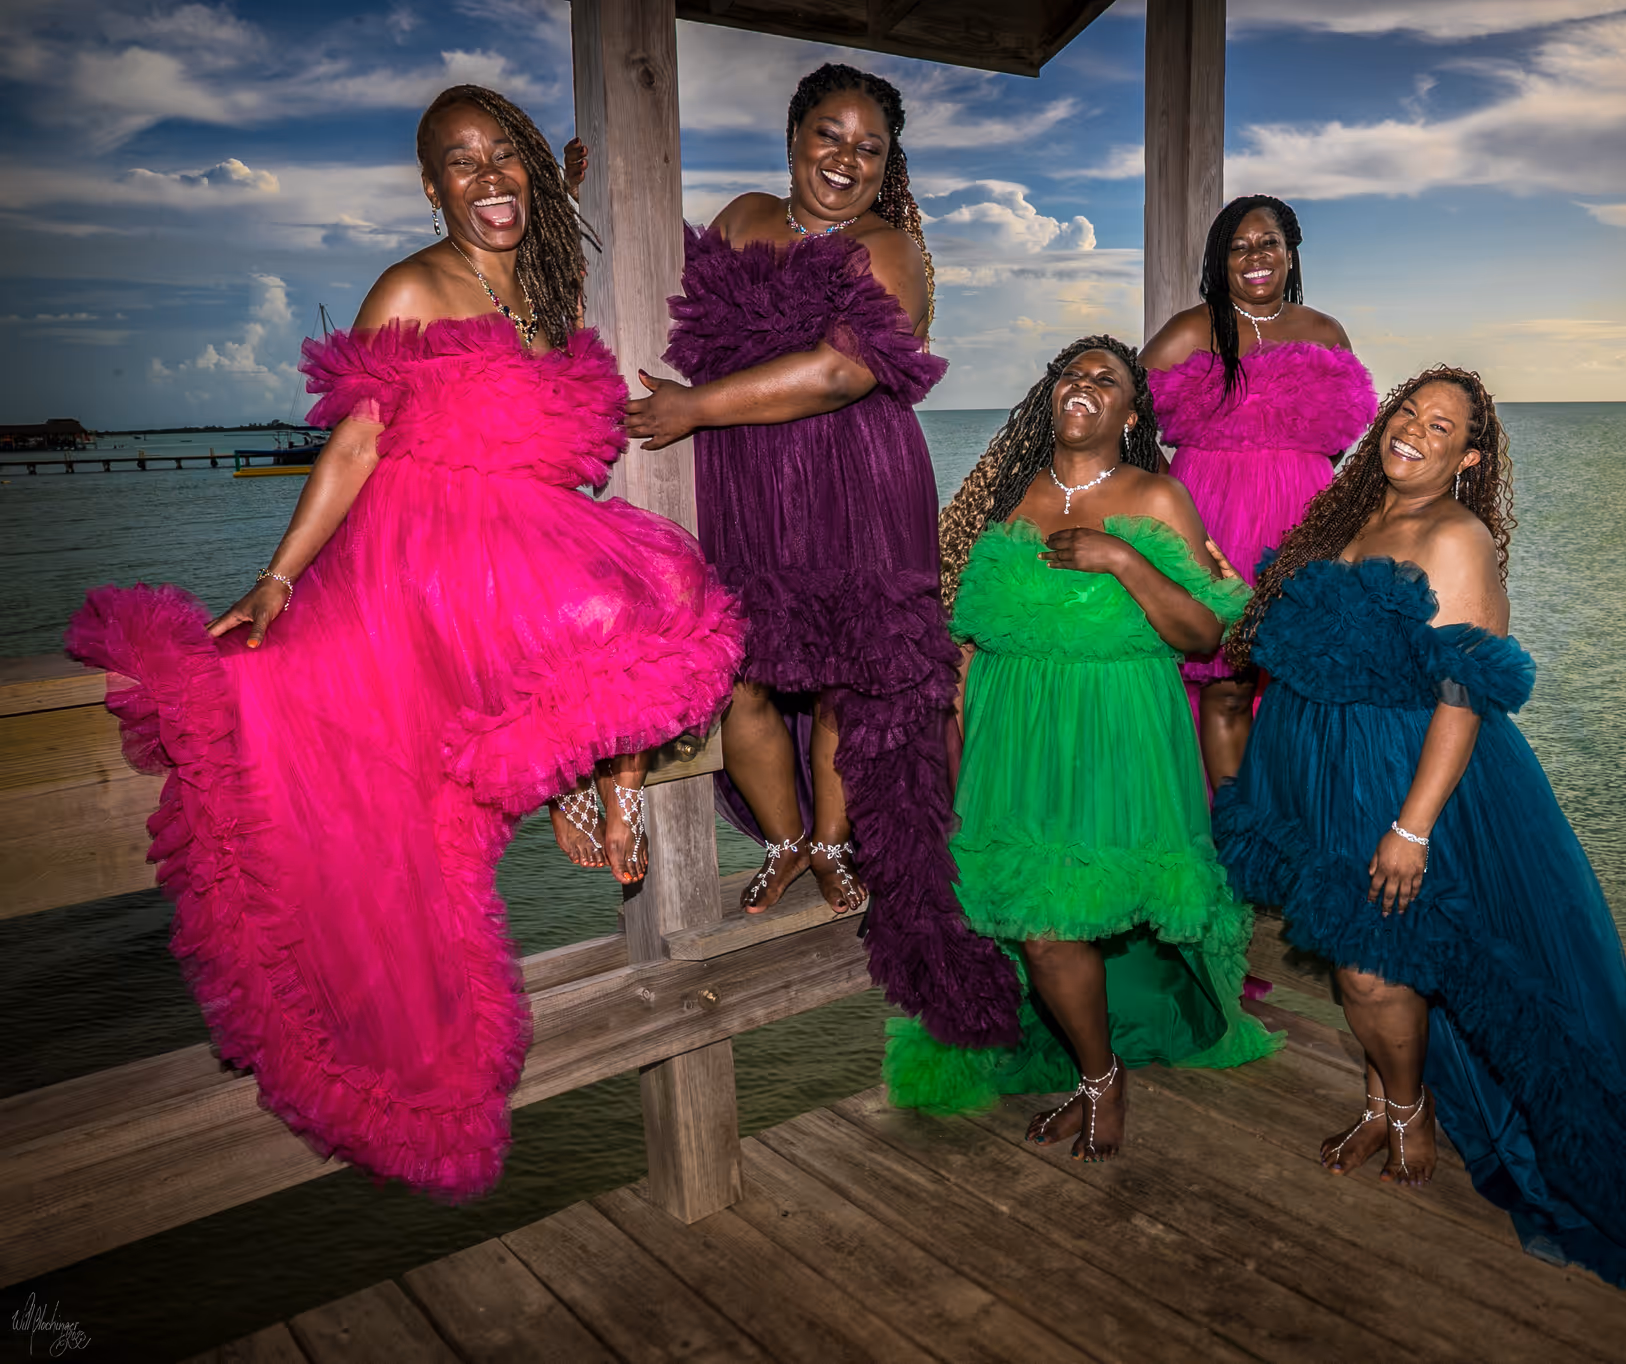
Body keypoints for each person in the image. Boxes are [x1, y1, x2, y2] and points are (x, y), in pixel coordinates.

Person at [65, 86, 744, 1200]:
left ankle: (602, 776)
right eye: (460, 163)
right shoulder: (410, 287)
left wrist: (557, 182)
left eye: (503, 156)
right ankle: (577, 777)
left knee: (667, 582)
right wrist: (278, 578)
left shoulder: (541, 282)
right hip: (419, 548)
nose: (488, 178)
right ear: (431, 187)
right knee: (599, 608)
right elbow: (352, 445)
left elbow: (543, 233)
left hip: (511, 540)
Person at [1211, 366, 1626, 1298]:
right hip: (1321, 779)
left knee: (1375, 968)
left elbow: (1463, 694)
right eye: (1408, 413)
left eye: (1442, 426)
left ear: (1469, 457)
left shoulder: (1456, 537)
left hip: (1405, 782)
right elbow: (1300, 643)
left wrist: (1413, 828)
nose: (1415, 431)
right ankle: (1382, 1100)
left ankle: (1410, 1109)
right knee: (1362, 955)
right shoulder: (1344, 519)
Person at [613, 63, 1018, 1050]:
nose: (845, 158)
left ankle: (835, 843)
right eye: (829, 135)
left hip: (856, 479)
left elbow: (842, 371)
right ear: (793, 135)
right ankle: (787, 836)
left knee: (848, 674)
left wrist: (693, 408)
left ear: (888, 164)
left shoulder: (891, 247)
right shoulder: (745, 215)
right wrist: (595, 199)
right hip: (747, 482)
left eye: (868, 146)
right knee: (741, 672)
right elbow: (654, 297)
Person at [885, 336, 1280, 1158]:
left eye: (1107, 379)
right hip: (1015, 741)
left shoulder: (1157, 495)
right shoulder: (1015, 494)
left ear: (1130, 414)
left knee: (1061, 919)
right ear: (1052, 393)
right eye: (1073, 373)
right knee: (1036, 918)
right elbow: (973, 627)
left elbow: (1202, 632)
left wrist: (1122, 559)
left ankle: (1100, 1080)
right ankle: (1098, 1073)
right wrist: (963, 714)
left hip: (1115, 738)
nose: (1084, 385)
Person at [1139, 195, 1375, 788]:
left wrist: (1297, 469)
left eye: (1268, 242)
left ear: (1290, 252)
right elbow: (1124, 413)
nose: (1255, 256)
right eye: (1238, 247)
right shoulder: (1192, 328)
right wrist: (1162, 494)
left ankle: (1290, 811)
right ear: (1220, 261)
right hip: (1213, 522)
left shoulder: (1325, 331)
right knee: (1229, 684)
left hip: (1303, 524)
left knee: (1301, 680)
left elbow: (1343, 428)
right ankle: (1232, 827)